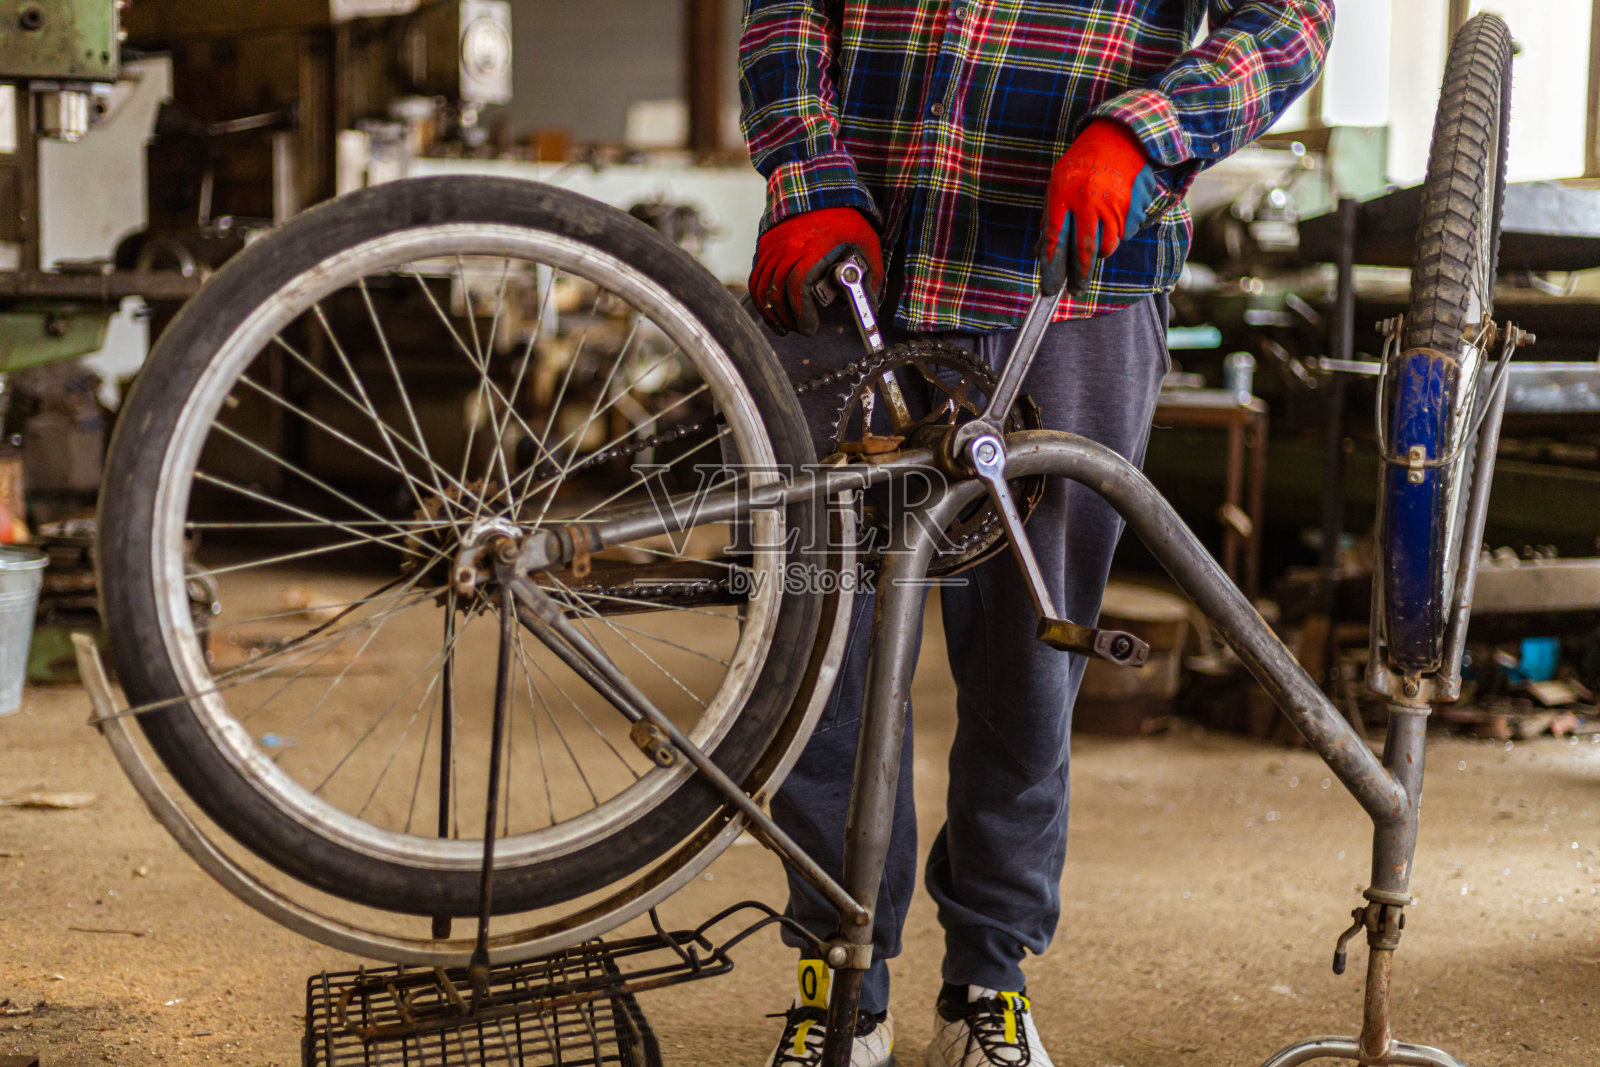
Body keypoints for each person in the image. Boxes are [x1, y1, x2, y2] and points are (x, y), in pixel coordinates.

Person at [739, 3, 1333, 1064]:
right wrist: (805, 173)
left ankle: (987, 979)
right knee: (818, 663)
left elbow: (1287, 21)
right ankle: (839, 981)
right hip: (844, 277)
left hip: (1068, 290)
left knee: (1029, 661)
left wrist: (1147, 129)